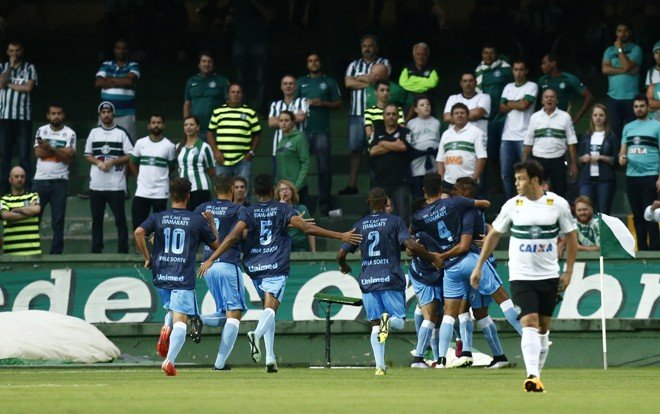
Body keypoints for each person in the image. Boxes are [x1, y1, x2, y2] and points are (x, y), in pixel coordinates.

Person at [198, 173, 361, 373]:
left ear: (255, 192)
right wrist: (340, 235)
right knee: (271, 310)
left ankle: (270, 357)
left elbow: (233, 237)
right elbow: (308, 229)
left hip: (255, 268)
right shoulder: (284, 208)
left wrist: (212, 257)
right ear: (274, 189)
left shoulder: (248, 212)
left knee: (268, 311)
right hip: (275, 265)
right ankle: (256, 334)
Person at [470, 160, 578, 392]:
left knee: (543, 328)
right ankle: (531, 375)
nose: (516, 183)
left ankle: (536, 376)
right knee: (529, 321)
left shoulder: (557, 204)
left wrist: (569, 271)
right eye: (516, 178)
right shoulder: (512, 205)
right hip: (520, 275)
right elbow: (494, 235)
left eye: (521, 178)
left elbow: (571, 237)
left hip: (549, 275)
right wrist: (479, 266)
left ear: (534, 180)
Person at [337, 187, 442, 375]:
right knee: (398, 322)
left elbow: (342, 252)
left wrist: (343, 265)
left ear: (368, 203)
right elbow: (410, 245)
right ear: (386, 202)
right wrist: (432, 258)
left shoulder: (360, 225)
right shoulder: (395, 222)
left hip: (368, 279)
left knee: (375, 325)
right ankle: (387, 323)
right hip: (390, 278)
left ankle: (379, 366)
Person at [135, 177, 220, 376]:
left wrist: (147, 257)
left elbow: (139, 232)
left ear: (170, 195)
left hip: (161, 274)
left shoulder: (158, 217)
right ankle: (169, 361)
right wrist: (213, 226)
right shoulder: (196, 219)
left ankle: (166, 326)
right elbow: (216, 246)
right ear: (188, 196)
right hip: (182, 276)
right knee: (182, 320)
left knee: (174, 312)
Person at [410, 172, 490, 368]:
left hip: (436, 267)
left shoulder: (418, 217)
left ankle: (437, 357)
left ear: (423, 190)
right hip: (443, 263)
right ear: (440, 189)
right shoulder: (453, 205)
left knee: (435, 313)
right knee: (437, 313)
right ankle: (424, 356)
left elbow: (409, 243)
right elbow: (485, 204)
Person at [450, 177, 522, 368]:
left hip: (479, 263)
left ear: (466, 192)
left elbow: (487, 232)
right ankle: (496, 356)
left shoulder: (470, 211)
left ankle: (529, 337)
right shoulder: (473, 211)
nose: (453, 193)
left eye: (456, 189)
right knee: (475, 311)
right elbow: (490, 229)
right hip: (472, 263)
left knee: (501, 298)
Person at [194, 174, 246, 371]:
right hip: (227, 263)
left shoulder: (202, 208)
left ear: (216, 189)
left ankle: (195, 319)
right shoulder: (238, 209)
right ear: (232, 189)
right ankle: (219, 364)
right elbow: (245, 234)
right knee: (234, 315)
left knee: (225, 313)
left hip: (207, 266)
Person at [341, 34, 391, 196]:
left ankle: (376, 188)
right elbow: (348, 83)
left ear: (375, 48)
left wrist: (360, 79)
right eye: (364, 46)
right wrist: (369, 80)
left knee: (375, 148)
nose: (367, 49)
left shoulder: (384, 63)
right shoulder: (353, 64)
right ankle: (352, 185)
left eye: (370, 46)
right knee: (355, 149)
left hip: (377, 115)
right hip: (357, 114)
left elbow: (380, 81)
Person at [84, 102, 133, 254]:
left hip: (116, 185)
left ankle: (123, 250)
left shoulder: (121, 133)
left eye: (108, 112)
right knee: (96, 220)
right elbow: (87, 154)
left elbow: (130, 154)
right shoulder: (93, 132)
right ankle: (96, 250)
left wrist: (113, 161)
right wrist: (98, 162)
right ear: (100, 115)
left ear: (113, 114)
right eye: (103, 112)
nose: (106, 114)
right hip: (97, 186)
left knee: (120, 220)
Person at [296, 53, 341, 214]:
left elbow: (338, 103)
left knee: (324, 168)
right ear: (307, 64)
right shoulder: (301, 82)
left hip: (322, 130)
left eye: (316, 60)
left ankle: (324, 203)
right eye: (310, 61)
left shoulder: (328, 82)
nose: (313, 63)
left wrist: (322, 103)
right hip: (303, 131)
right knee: (301, 167)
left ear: (320, 63)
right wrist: (303, 105)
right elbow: (292, 103)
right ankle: (300, 200)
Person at [33, 103, 76, 254]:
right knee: (34, 217)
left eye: (59, 113)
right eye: (53, 113)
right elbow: (38, 153)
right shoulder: (41, 130)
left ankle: (56, 253)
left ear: (63, 115)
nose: (56, 116)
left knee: (58, 220)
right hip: (40, 180)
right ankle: (32, 250)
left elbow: (68, 157)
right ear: (48, 115)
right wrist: (59, 150)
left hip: (60, 181)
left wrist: (49, 148)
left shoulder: (70, 133)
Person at [618, 94, 660, 251]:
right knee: (637, 214)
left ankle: (656, 248)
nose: (639, 109)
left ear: (648, 107)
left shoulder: (657, 126)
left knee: (650, 213)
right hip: (632, 176)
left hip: (650, 176)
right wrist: (622, 158)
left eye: (642, 106)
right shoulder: (628, 127)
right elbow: (622, 151)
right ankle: (642, 248)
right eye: (636, 106)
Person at [206, 83, 261, 193]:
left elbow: (257, 134)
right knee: (222, 192)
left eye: (238, 92)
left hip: (243, 160)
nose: (236, 94)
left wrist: (252, 152)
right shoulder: (218, 112)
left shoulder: (250, 113)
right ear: (228, 94)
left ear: (242, 95)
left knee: (243, 193)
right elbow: (210, 133)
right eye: (233, 92)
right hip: (222, 160)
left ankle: (243, 211)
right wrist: (216, 152)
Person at [523, 89, 578, 198]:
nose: (549, 99)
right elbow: (528, 142)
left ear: (556, 100)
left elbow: (571, 143)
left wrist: (574, 164)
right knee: (536, 192)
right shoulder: (535, 117)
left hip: (558, 160)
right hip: (538, 160)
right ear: (542, 101)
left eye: (552, 97)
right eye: (546, 97)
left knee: (560, 192)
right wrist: (524, 163)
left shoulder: (565, 117)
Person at [0, 40, 38, 194]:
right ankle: (3, 191)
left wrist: (8, 85)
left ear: (21, 51)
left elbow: (28, 87)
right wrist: (10, 66)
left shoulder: (29, 67)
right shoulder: (2, 67)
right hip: (4, 118)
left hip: (23, 118)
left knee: (24, 156)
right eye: (11, 51)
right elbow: (1, 82)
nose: (14, 54)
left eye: (16, 50)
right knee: (4, 156)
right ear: (7, 52)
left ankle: (27, 189)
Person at [129, 114, 176, 235]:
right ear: (148, 125)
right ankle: (139, 249)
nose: (156, 125)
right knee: (138, 224)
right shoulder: (140, 143)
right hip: (142, 191)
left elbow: (171, 167)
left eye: (159, 122)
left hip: (160, 192)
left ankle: (158, 251)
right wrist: (140, 176)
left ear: (163, 125)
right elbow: (132, 163)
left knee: (160, 226)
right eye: (153, 122)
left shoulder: (169, 146)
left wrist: (161, 176)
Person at [475, 44, 513, 186]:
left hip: (504, 118)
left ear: (496, 55)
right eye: (486, 52)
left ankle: (508, 184)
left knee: (505, 153)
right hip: (487, 120)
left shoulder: (505, 68)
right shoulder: (479, 71)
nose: (488, 56)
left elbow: (513, 87)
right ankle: (496, 184)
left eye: (491, 53)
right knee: (490, 153)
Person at [500, 59, 538, 200]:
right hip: (507, 136)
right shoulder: (508, 87)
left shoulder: (532, 86)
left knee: (526, 172)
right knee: (506, 174)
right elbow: (501, 108)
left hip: (525, 136)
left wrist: (509, 102)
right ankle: (511, 204)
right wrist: (518, 102)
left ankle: (527, 202)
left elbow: (525, 105)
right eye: (515, 69)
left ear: (526, 71)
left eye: (521, 69)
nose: (518, 72)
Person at [369, 103, 412, 224]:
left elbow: (403, 147)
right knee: (377, 217)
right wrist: (394, 144)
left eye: (394, 114)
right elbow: (372, 151)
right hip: (380, 181)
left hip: (401, 182)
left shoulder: (405, 131)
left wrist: (382, 143)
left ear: (398, 116)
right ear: (383, 116)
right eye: (388, 114)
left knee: (403, 217)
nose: (391, 116)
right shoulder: (377, 130)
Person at [602, 22, 643, 139]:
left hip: (631, 97)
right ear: (616, 33)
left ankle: (631, 156)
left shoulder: (636, 49)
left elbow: (628, 66)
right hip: (613, 97)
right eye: (619, 31)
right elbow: (605, 69)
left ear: (629, 32)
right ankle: (616, 157)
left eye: (625, 30)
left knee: (632, 131)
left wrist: (619, 49)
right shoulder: (609, 50)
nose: (622, 33)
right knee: (614, 132)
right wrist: (626, 70)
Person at [95, 39, 140, 142]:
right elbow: (98, 83)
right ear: (114, 50)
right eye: (118, 48)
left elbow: (129, 82)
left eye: (124, 48)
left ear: (128, 51)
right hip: (106, 113)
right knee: (103, 143)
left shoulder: (133, 65)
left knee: (128, 144)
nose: (121, 51)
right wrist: (122, 79)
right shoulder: (106, 64)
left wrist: (108, 79)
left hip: (126, 114)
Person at [577, 104, 619, 214]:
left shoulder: (611, 136)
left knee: (604, 212)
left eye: (601, 115)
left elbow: (616, 161)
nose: (598, 117)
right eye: (595, 115)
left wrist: (602, 157)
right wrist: (583, 158)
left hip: (605, 180)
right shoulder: (586, 135)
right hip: (586, 179)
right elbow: (579, 159)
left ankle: (603, 231)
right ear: (591, 117)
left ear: (606, 117)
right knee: (585, 210)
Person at [436, 102, 487, 190]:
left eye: (462, 113)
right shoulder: (446, 134)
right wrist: (442, 179)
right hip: (448, 183)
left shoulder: (477, 132)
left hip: (467, 183)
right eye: (456, 113)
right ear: (452, 117)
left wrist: (473, 179)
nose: (459, 115)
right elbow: (440, 159)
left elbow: (482, 157)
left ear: (467, 116)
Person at [183, 51, 229, 137]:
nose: (206, 64)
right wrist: (187, 123)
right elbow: (187, 104)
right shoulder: (191, 81)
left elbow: (228, 104)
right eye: (203, 61)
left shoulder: (222, 81)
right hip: (196, 130)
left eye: (209, 61)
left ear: (213, 65)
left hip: (215, 129)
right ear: (199, 65)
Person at [269, 74, 308, 176]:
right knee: (278, 182)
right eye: (285, 84)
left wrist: (280, 119)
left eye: (291, 83)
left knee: (298, 183)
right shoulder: (275, 104)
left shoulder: (303, 101)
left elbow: (301, 117)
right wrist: (293, 118)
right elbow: (271, 123)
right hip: (278, 149)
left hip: (297, 149)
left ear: (295, 87)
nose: (288, 86)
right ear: (281, 87)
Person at [538, 52, 593, 124]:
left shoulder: (569, 79)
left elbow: (589, 97)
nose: (542, 66)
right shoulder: (542, 80)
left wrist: (577, 117)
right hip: (545, 120)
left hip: (563, 121)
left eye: (544, 63)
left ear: (553, 63)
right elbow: (536, 100)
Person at [176, 115, 215, 211]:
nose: (188, 127)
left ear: (198, 127)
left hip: (200, 189)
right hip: (183, 191)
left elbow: (211, 170)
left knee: (200, 219)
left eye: (191, 124)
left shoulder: (205, 147)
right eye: (186, 125)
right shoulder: (178, 147)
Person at [0, 166, 41, 255]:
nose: (20, 179)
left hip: (33, 253)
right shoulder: (3, 200)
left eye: (22, 176)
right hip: (11, 254)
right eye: (16, 176)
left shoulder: (33, 196)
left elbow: (37, 209)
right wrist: (29, 213)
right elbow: (6, 215)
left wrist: (17, 210)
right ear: (10, 180)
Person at [406, 96, 440, 199]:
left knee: (433, 194)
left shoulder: (436, 122)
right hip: (417, 163)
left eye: (427, 104)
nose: (426, 107)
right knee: (419, 196)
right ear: (416, 109)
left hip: (433, 163)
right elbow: (408, 143)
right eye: (422, 105)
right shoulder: (411, 124)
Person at [443, 72, 491, 140]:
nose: (468, 84)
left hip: (476, 139)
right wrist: (469, 115)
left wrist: (456, 115)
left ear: (476, 82)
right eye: (465, 81)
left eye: (470, 81)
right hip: (455, 138)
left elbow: (476, 114)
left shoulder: (484, 97)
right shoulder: (453, 98)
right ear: (461, 84)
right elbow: (447, 117)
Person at [275, 111, 309, 194]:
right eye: (281, 120)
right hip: (283, 188)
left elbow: (305, 163)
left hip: (297, 188)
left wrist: (297, 186)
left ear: (293, 122)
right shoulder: (281, 140)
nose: (283, 123)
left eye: (286, 121)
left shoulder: (299, 139)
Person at [399, 42, 439, 112]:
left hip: (427, 107)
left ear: (427, 55)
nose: (421, 57)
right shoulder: (407, 68)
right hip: (408, 105)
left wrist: (412, 79)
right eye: (418, 54)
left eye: (423, 55)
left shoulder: (433, 69)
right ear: (414, 55)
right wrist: (424, 86)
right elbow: (403, 83)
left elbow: (432, 84)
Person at [278, 179, 315, 252]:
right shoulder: (274, 210)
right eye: (282, 189)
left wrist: (313, 252)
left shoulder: (302, 208)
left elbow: (311, 230)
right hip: (282, 249)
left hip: (300, 248)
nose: (285, 191)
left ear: (292, 191)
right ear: (278, 193)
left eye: (287, 189)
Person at [647, 41, 660, 121]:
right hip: (655, 115)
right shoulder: (650, 72)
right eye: (656, 53)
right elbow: (649, 100)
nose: (659, 55)